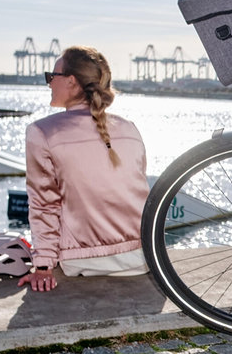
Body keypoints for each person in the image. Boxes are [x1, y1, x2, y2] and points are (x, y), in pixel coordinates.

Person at [18, 46, 149, 292]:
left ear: (71, 82)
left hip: (83, 261)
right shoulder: (129, 128)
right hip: (142, 257)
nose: (48, 83)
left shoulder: (41, 132)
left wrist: (43, 266)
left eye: (51, 76)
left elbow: (44, 204)